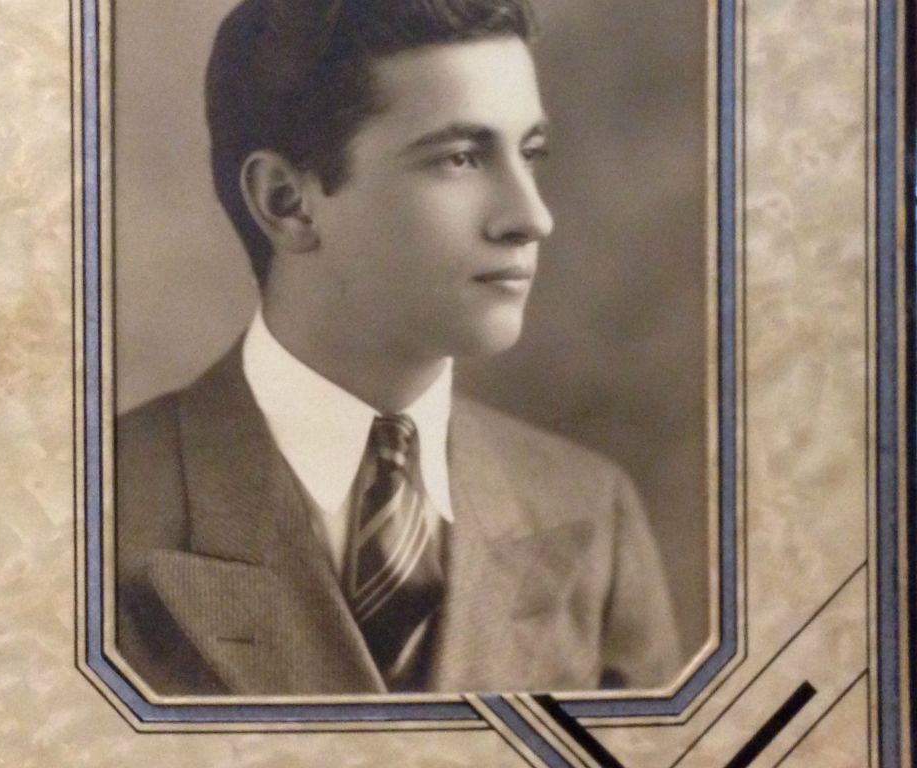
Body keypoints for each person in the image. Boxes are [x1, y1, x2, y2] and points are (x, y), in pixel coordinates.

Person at [115, 0, 681, 696]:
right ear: (287, 201)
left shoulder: (591, 508)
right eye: (462, 157)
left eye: (531, 154)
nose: (532, 216)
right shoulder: (93, 512)